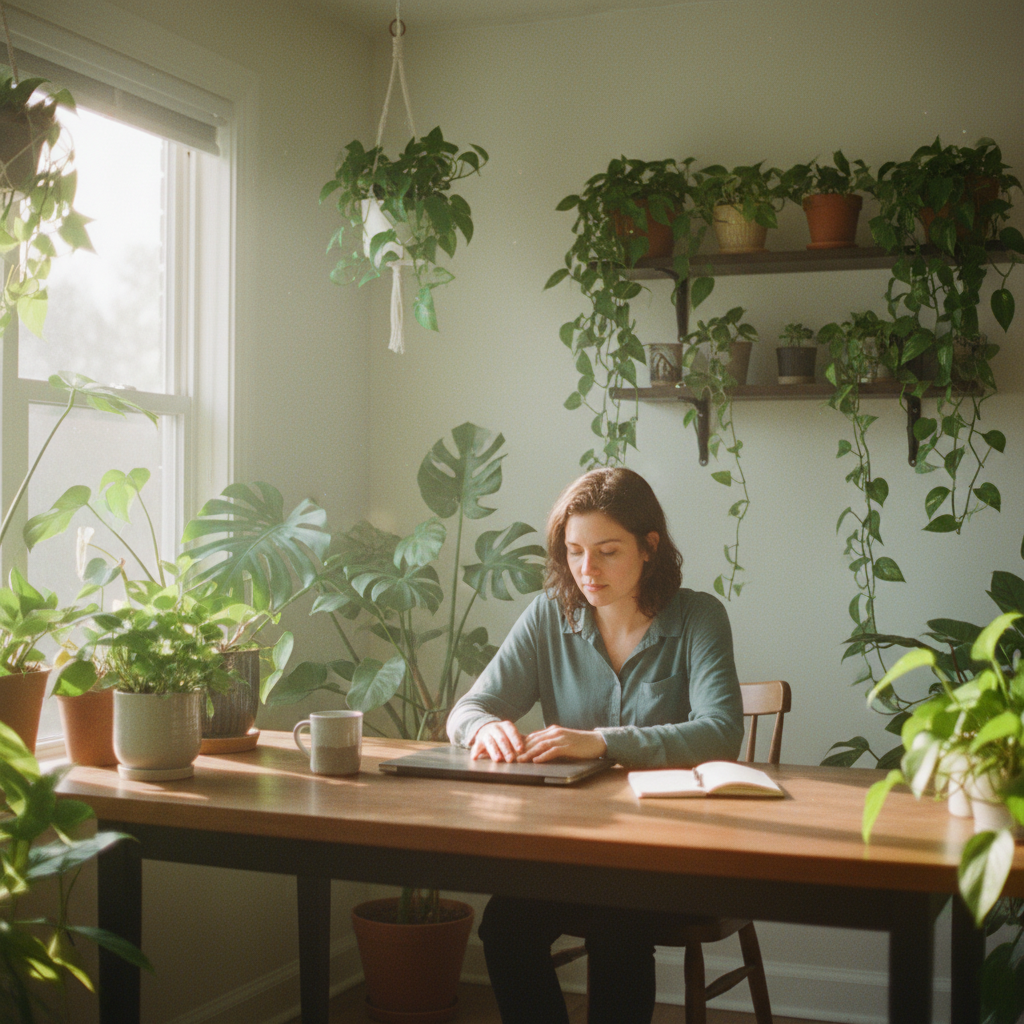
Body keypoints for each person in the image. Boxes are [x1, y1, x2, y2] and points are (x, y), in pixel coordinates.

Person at [446, 467, 744, 1024]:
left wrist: (600, 742)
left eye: (607, 551)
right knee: (505, 926)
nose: (587, 570)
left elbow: (721, 730)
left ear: (649, 547)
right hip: (575, 850)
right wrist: (483, 727)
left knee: (618, 924)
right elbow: (468, 709)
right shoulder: (548, 617)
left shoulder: (700, 617)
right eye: (575, 551)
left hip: (670, 852)